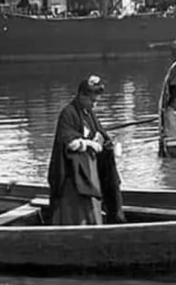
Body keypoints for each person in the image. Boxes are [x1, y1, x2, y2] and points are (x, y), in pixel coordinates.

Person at [47, 75, 123, 226]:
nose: (94, 105)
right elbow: (69, 143)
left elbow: (100, 134)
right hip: (73, 175)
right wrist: (88, 143)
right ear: (81, 95)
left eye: (96, 101)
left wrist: (110, 145)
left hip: (90, 170)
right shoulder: (68, 113)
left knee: (107, 185)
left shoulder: (88, 113)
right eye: (92, 101)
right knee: (80, 207)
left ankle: (103, 220)